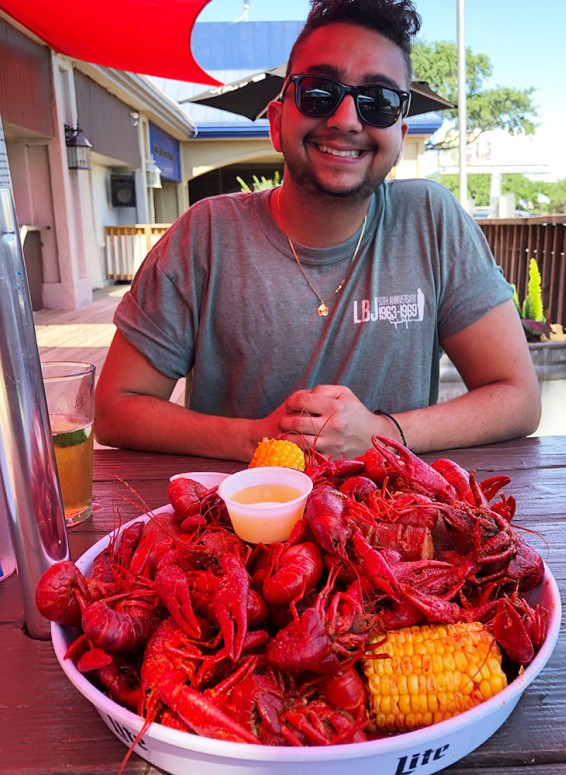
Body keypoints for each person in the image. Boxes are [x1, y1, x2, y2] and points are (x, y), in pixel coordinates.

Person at [94, 0, 541, 462]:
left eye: (379, 102)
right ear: (276, 120)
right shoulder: (204, 235)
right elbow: (114, 409)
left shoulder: (431, 220)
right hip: (245, 521)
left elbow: (518, 398)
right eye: (318, 92)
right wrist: (254, 440)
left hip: (392, 518)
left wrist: (383, 434)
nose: (346, 119)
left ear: (399, 134)